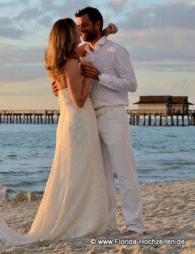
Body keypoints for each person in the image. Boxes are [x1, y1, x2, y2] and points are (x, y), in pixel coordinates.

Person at [51, 7, 145, 235]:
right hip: (90, 119)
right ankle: (109, 224)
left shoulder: (116, 51)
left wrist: (100, 77)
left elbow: (131, 84)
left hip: (112, 115)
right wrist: (60, 87)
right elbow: (67, 71)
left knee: (125, 172)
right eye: (78, 26)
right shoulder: (83, 51)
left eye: (84, 25)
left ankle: (134, 225)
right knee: (102, 176)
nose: (80, 29)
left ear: (96, 24)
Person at [27, 18, 110, 241]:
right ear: (68, 36)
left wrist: (106, 32)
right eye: (75, 31)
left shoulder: (56, 60)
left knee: (72, 170)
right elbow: (80, 99)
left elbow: (83, 49)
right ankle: (82, 218)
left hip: (68, 122)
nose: (79, 34)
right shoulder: (72, 64)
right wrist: (90, 78)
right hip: (80, 121)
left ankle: (81, 214)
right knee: (80, 171)